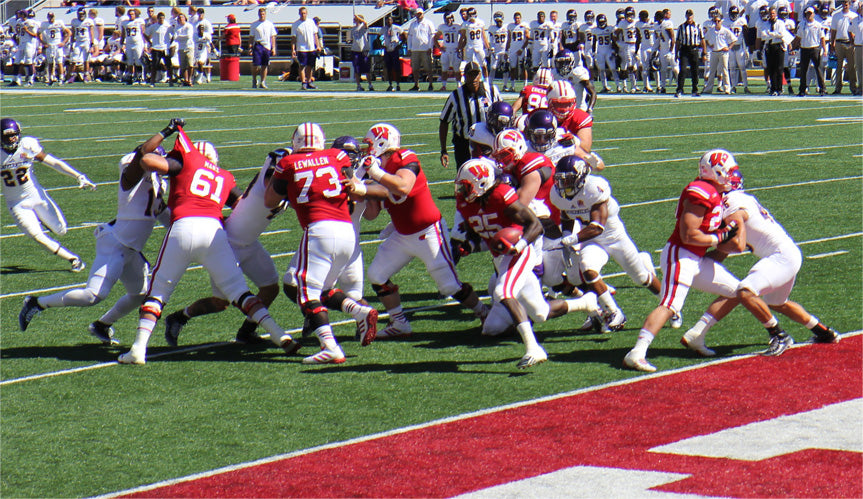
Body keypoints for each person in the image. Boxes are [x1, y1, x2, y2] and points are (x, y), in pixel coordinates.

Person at [118, 120, 299, 365]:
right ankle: (280, 335)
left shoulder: (188, 160)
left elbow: (147, 161)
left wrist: (169, 160)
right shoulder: (223, 176)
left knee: (158, 292)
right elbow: (242, 206)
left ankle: (139, 349)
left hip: (182, 227)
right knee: (240, 293)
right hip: (214, 232)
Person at [623, 149, 792, 373]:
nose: (732, 177)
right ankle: (637, 352)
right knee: (671, 304)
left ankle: (697, 337)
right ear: (716, 172)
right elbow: (688, 235)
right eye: (728, 172)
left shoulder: (715, 193)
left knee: (738, 291)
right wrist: (719, 237)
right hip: (681, 254)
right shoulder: (701, 191)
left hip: (696, 258)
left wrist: (725, 236)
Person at [681, 161, 841, 357]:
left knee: (744, 291)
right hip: (787, 254)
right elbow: (723, 253)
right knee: (777, 303)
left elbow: (737, 241)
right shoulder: (738, 199)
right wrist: (698, 263)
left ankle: (779, 335)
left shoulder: (732, 202)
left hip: (781, 257)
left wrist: (715, 239)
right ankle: (823, 332)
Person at [345, 123, 489, 338]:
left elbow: (402, 186)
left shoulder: (405, 157)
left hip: (428, 231)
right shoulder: (375, 166)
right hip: (402, 234)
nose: (368, 148)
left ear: (382, 141)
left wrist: (373, 175)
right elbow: (372, 213)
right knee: (377, 275)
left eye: (369, 143)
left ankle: (484, 312)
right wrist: (358, 185)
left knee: (449, 286)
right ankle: (399, 322)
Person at [455, 159, 599, 368]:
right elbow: (478, 230)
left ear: (482, 183)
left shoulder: (501, 195)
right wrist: (468, 245)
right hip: (500, 258)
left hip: (519, 253)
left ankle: (533, 348)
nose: (461, 191)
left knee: (502, 292)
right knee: (528, 317)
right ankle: (586, 302)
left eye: (466, 186)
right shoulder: (466, 203)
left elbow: (535, 225)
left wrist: (519, 245)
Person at [18, 146, 170, 343]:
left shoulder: (156, 186)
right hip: (115, 243)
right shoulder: (132, 173)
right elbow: (131, 161)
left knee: (139, 294)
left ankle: (102, 325)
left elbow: (167, 217)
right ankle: (36, 303)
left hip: (131, 248)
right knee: (92, 295)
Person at [269, 127, 379, 363]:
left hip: (319, 230)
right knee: (321, 289)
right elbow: (356, 192)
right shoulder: (337, 157)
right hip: (347, 232)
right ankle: (358, 310)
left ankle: (330, 346)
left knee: (306, 291)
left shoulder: (288, 162)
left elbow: (270, 200)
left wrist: (282, 180)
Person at [163, 148, 290, 347]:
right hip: (227, 246)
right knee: (220, 303)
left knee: (270, 287)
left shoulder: (221, 180)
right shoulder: (268, 178)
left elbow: (240, 202)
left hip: (248, 242)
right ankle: (179, 317)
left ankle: (246, 331)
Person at [550, 156, 661, 332]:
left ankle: (669, 305)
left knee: (641, 278)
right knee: (587, 268)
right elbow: (566, 214)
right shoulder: (557, 194)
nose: (564, 184)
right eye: (561, 180)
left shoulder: (594, 187)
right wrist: (565, 233)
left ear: (581, 176)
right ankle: (613, 311)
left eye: (569, 179)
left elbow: (597, 227)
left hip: (612, 236)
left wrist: (571, 239)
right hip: (590, 240)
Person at [1, 118, 95, 273]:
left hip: (36, 196)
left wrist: (78, 176)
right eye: (8, 136)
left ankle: (41, 219)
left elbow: (53, 162)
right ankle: (73, 259)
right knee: (36, 235)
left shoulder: (27, 145)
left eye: (14, 135)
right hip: (16, 202)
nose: (12, 139)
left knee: (61, 230)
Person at [439, 62, 502, 169]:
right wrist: (443, 150)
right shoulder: (456, 96)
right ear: (465, 76)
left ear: (480, 75)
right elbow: (444, 121)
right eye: (470, 75)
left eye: (475, 74)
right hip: (464, 143)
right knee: (466, 176)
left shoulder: (492, 91)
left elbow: (502, 114)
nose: (473, 78)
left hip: (488, 142)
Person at [795, 6, 828, 95]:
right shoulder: (801, 24)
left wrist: (824, 49)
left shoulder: (818, 25)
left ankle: (822, 88)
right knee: (804, 70)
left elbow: (822, 38)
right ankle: (802, 89)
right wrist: (794, 46)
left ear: (813, 14)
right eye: (807, 13)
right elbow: (798, 37)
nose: (809, 15)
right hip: (805, 48)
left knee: (819, 69)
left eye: (810, 13)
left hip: (815, 48)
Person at [703, 13, 737, 94]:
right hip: (714, 52)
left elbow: (734, 39)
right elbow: (705, 39)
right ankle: (709, 88)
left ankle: (727, 88)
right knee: (712, 71)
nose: (717, 22)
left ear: (721, 21)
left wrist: (729, 48)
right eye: (715, 21)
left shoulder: (725, 30)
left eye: (718, 21)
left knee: (725, 70)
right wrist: (709, 45)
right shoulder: (711, 30)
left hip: (723, 52)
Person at [829, 0, 858, 94]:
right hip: (839, 42)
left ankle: (853, 87)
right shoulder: (836, 15)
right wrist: (832, 42)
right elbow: (833, 30)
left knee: (851, 67)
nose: (845, 5)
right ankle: (838, 88)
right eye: (844, 3)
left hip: (850, 43)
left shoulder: (854, 16)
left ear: (849, 4)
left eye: (847, 3)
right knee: (838, 67)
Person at [675, 9, 706, 97]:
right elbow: (678, 41)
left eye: (690, 15)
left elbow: (702, 40)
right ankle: (679, 89)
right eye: (688, 15)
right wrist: (676, 53)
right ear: (686, 16)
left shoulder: (698, 26)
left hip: (694, 49)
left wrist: (704, 52)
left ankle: (695, 90)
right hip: (684, 49)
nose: (689, 17)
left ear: (693, 16)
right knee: (683, 70)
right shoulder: (681, 27)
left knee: (695, 70)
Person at [404, 8, 435, 91]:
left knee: (428, 67)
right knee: (415, 68)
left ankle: (430, 84)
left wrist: (430, 47)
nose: (419, 15)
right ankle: (416, 84)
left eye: (420, 14)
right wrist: (409, 48)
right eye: (418, 14)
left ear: (423, 14)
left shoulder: (428, 23)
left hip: (425, 49)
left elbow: (432, 36)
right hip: (415, 49)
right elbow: (410, 36)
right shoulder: (413, 24)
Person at [763, 6, 791, 96]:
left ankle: (779, 88)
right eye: (770, 14)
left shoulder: (780, 23)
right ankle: (773, 88)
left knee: (779, 68)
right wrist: (774, 35)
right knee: (771, 69)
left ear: (776, 14)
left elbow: (781, 34)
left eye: (773, 13)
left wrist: (771, 34)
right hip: (769, 46)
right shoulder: (766, 23)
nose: (772, 15)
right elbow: (764, 35)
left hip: (778, 46)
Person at [458, 7, 490, 79]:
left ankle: (486, 81)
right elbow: (462, 37)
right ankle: (469, 81)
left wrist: (488, 47)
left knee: (483, 65)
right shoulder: (465, 24)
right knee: (469, 66)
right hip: (469, 47)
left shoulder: (480, 22)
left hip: (479, 46)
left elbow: (484, 36)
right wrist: (459, 48)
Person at [725, 5, 751, 94]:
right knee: (732, 68)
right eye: (733, 13)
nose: (734, 15)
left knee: (742, 67)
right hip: (731, 47)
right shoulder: (725, 22)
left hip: (740, 46)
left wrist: (746, 48)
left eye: (736, 13)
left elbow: (745, 36)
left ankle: (746, 86)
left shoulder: (742, 21)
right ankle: (733, 86)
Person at [39, 12, 70, 86]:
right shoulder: (44, 24)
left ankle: (61, 78)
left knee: (59, 62)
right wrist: (43, 43)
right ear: (47, 17)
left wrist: (63, 42)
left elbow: (69, 32)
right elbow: (38, 33)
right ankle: (51, 78)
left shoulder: (59, 22)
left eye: (52, 17)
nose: (51, 18)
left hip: (57, 45)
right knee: (50, 63)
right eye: (50, 17)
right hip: (50, 45)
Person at [592, 14, 620, 93]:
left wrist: (614, 50)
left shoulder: (610, 28)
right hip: (600, 51)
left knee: (613, 69)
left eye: (603, 22)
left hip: (608, 50)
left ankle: (618, 86)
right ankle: (605, 86)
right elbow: (594, 42)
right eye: (600, 22)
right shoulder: (595, 30)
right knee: (601, 70)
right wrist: (594, 52)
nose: (602, 23)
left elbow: (613, 40)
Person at [250, 7, 277, 89]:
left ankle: (263, 81)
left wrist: (273, 48)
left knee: (265, 65)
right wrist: (250, 47)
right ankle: (254, 80)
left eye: (263, 14)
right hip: (258, 45)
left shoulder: (270, 24)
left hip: (267, 46)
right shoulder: (254, 25)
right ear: (258, 15)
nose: (262, 15)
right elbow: (251, 37)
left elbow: (273, 36)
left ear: (265, 14)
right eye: (261, 14)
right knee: (256, 65)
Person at [145, 11, 172, 87]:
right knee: (155, 65)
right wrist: (150, 42)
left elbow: (174, 33)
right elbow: (145, 33)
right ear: (157, 19)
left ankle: (171, 80)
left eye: (162, 18)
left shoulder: (167, 26)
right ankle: (152, 81)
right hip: (156, 47)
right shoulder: (154, 26)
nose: (161, 20)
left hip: (165, 48)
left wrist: (170, 43)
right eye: (160, 18)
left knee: (168, 65)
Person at [505, 11, 530, 92]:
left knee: (523, 67)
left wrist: (522, 49)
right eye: (516, 18)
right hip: (512, 49)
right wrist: (506, 51)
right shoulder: (510, 26)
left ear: (521, 18)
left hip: (521, 49)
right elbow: (509, 39)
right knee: (512, 68)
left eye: (518, 18)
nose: (517, 20)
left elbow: (527, 39)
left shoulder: (524, 26)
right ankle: (512, 86)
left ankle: (525, 85)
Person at [69, 8, 94, 84]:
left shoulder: (89, 21)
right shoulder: (74, 21)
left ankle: (86, 75)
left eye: (82, 14)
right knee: (74, 59)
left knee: (86, 59)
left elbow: (91, 33)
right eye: (79, 14)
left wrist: (92, 44)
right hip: (77, 42)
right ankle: (72, 76)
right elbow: (73, 33)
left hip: (86, 41)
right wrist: (71, 43)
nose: (81, 16)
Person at [436, 12, 460, 91]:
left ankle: (459, 85)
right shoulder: (442, 27)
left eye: (450, 18)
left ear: (453, 18)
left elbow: (464, 36)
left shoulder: (457, 26)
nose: (449, 20)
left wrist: (460, 46)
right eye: (447, 18)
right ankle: (444, 85)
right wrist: (439, 47)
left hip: (455, 49)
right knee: (444, 69)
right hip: (446, 50)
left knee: (457, 69)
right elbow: (435, 38)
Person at [121, 8, 146, 84]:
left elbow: (143, 33)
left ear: (135, 14)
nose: (131, 15)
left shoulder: (139, 21)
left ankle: (140, 77)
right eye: (130, 14)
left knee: (138, 60)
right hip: (129, 43)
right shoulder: (125, 23)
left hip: (138, 43)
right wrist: (122, 44)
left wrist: (145, 44)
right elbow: (123, 34)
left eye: (132, 14)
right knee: (130, 61)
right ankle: (130, 76)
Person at [350, 14, 373, 91]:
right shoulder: (352, 29)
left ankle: (370, 84)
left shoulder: (363, 27)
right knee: (357, 69)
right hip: (355, 50)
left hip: (363, 50)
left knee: (366, 69)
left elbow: (365, 23)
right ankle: (358, 85)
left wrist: (359, 17)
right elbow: (350, 39)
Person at [171, 13, 194, 86]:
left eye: (182, 17)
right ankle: (186, 80)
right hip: (181, 48)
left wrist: (180, 37)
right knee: (183, 66)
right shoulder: (177, 27)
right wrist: (181, 38)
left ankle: (190, 79)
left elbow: (188, 36)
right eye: (179, 18)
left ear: (185, 18)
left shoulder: (189, 26)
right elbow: (175, 38)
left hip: (189, 47)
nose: (181, 19)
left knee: (190, 65)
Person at [488, 12, 508, 90]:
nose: (498, 23)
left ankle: (505, 85)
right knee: (493, 68)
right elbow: (491, 39)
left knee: (505, 68)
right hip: (496, 51)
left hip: (504, 50)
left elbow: (509, 39)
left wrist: (507, 51)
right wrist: (492, 49)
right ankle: (489, 84)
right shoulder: (492, 28)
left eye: (499, 21)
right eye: (497, 21)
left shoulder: (506, 27)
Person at [382, 15, 402, 92]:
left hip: (394, 50)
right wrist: (381, 45)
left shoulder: (396, 28)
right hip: (387, 50)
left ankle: (398, 84)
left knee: (396, 68)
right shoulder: (384, 29)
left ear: (392, 21)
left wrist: (400, 44)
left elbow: (404, 35)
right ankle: (390, 84)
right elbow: (378, 37)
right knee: (389, 68)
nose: (388, 21)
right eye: (387, 20)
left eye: (390, 20)